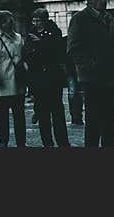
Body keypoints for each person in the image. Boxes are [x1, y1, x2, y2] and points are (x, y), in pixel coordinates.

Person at [67, 0, 114, 147]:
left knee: (112, 122)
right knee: (94, 122)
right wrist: (92, 65)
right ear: (89, 0)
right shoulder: (80, 19)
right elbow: (73, 49)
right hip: (93, 79)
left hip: (111, 77)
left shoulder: (109, 18)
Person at [25, 8, 70, 147]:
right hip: (37, 77)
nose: (36, 23)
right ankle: (47, 142)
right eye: (34, 20)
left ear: (45, 20)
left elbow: (57, 52)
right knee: (42, 113)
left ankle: (62, 141)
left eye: (38, 20)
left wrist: (40, 43)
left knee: (57, 111)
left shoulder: (54, 31)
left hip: (53, 76)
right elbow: (28, 53)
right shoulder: (30, 33)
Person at [0, 10, 26, 148]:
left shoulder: (19, 37)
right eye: (9, 20)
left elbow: (23, 56)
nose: (12, 22)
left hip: (18, 81)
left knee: (19, 116)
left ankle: (21, 142)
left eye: (12, 19)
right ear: (1, 22)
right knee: (3, 117)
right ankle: (4, 141)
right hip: (3, 83)